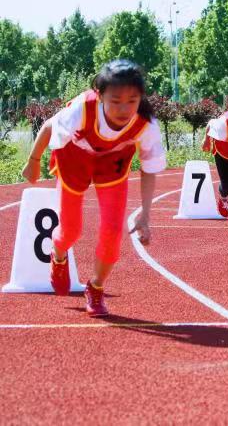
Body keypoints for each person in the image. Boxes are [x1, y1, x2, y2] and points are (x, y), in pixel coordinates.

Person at [20, 60, 166, 317]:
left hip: (112, 163)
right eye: (116, 100)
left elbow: (149, 168)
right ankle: (58, 253)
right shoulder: (83, 108)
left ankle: (95, 287)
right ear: (100, 96)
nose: (124, 108)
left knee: (112, 233)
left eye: (132, 100)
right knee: (71, 231)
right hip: (74, 157)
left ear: (140, 98)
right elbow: (48, 126)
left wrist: (145, 213)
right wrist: (33, 161)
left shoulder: (146, 123)